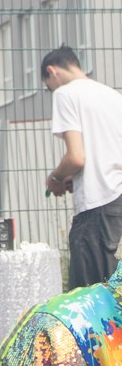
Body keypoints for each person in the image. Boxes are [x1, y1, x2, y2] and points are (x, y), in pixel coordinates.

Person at [42, 47, 122, 288]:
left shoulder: (65, 94)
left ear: (51, 71)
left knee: (91, 297)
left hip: (97, 205)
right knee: (114, 291)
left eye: (49, 87)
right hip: (117, 200)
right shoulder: (112, 95)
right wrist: (74, 179)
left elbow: (77, 157)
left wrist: (55, 178)